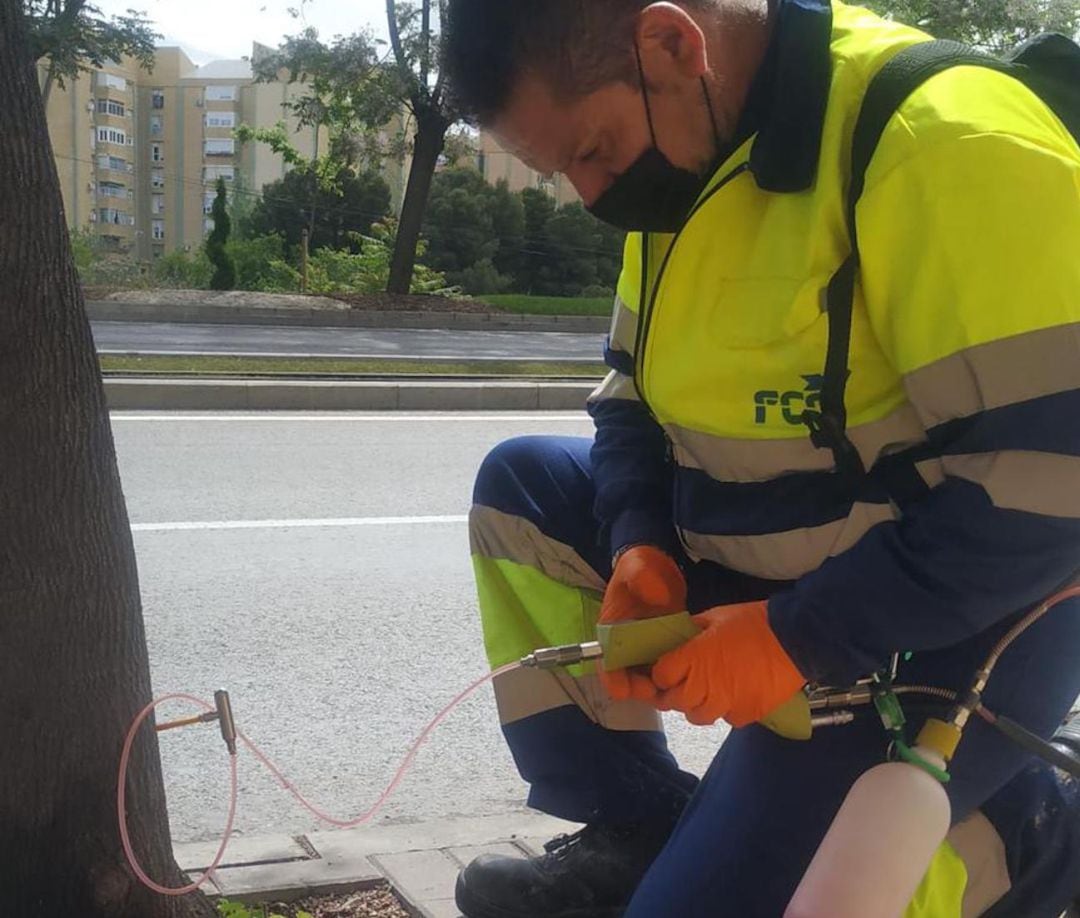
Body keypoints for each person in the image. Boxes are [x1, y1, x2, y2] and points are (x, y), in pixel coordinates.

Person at [442, 1, 1080, 915]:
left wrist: (798, 637)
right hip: (782, 580)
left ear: (671, 43)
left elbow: (1054, 490)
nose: (591, 195)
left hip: (949, 623)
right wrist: (639, 544)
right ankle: (644, 828)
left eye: (592, 152)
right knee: (523, 489)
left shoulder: (940, 141)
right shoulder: (678, 159)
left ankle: (1030, 835)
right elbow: (629, 400)